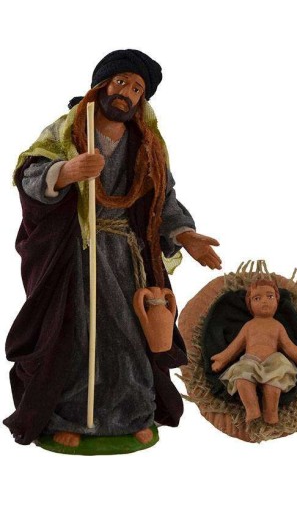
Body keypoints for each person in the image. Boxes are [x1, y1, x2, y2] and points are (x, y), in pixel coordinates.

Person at [5, 49, 222, 448]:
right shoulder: (68, 130)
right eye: (121, 82)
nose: (127, 93)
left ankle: (134, 412)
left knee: (131, 334)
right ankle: (70, 417)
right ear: (102, 85)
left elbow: (163, 198)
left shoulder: (147, 144)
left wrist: (185, 235)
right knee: (76, 334)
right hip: (77, 253)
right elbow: (29, 174)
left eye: (137, 89)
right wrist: (65, 172)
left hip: (126, 255)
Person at [211, 279, 297, 424]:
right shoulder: (249, 326)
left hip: (273, 362)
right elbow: (235, 346)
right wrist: (222, 359)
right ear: (250, 305)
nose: (264, 301)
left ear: (277, 301)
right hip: (250, 361)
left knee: (274, 386)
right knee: (242, 380)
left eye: (270, 296)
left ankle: (271, 413)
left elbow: (288, 346)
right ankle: (252, 409)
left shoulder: (277, 326)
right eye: (257, 298)